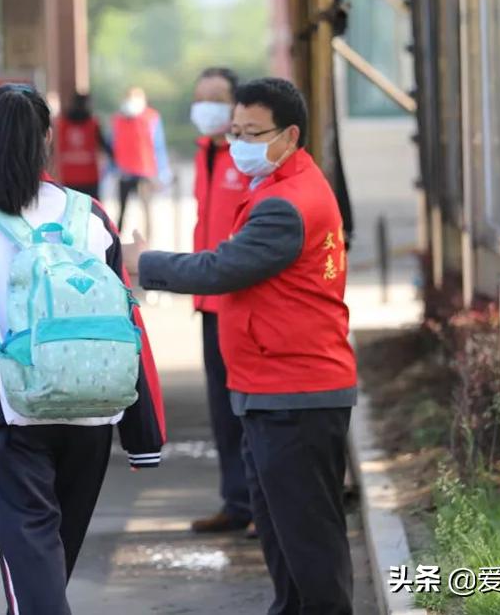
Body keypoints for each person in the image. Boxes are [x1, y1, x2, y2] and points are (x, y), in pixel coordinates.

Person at [124, 78, 357, 615]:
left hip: (294, 392)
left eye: (253, 132)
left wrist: (146, 263)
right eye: (235, 131)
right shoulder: (281, 184)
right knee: (283, 540)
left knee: (308, 545)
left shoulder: (286, 204)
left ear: (290, 134)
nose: (239, 144)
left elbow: (224, 267)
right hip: (271, 388)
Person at [0, 83, 165, 615]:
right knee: (50, 568)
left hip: (14, 417)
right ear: (47, 139)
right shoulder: (91, 215)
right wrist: (142, 434)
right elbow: (127, 323)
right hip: (93, 416)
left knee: (33, 572)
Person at [186, 67, 255, 536]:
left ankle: (262, 503)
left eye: (217, 98)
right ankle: (236, 502)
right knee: (222, 410)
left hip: (243, 301)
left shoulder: (247, 158)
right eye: (201, 98)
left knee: (249, 407)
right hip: (209, 303)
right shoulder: (204, 154)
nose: (207, 106)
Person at [111, 86, 171, 239]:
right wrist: (111, 170)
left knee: (146, 210)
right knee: (122, 210)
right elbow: (113, 145)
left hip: (145, 172)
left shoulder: (151, 117)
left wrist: (163, 173)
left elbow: (158, 146)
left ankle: (148, 242)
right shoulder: (118, 119)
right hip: (124, 172)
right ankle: (117, 242)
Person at [53, 92, 111, 199]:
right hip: (89, 176)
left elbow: (54, 148)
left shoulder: (62, 123)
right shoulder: (93, 123)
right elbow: (103, 146)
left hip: (68, 175)